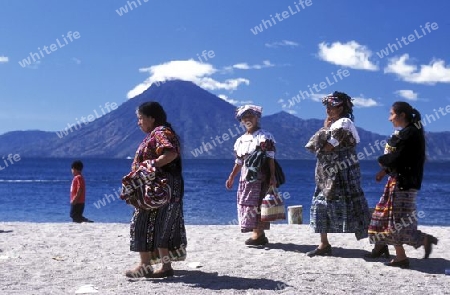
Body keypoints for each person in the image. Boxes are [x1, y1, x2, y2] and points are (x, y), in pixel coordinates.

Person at [367, 101, 438, 268]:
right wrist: (384, 171)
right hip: (401, 182)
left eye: (391, 114)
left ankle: (401, 256)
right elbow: (402, 159)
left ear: (402, 115)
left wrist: (381, 161)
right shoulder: (409, 133)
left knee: (394, 220)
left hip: (403, 183)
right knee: (387, 217)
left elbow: (399, 158)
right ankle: (387, 247)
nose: (389, 118)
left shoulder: (409, 134)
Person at [124, 101, 187, 278]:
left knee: (143, 221)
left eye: (140, 118)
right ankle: (165, 266)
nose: (139, 122)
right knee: (163, 223)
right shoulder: (161, 132)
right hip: (167, 185)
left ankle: (145, 265)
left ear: (151, 118)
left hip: (160, 187)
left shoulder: (160, 133)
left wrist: (151, 165)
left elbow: (171, 153)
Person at [305, 91, 370, 257]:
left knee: (355, 205)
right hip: (327, 173)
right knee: (320, 205)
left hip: (343, 172)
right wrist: (325, 131)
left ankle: (379, 243)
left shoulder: (344, 123)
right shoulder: (334, 124)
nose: (328, 109)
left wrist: (324, 131)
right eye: (327, 106)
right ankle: (323, 244)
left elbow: (329, 146)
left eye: (332, 106)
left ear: (341, 107)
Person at [225, 104, 277, 246]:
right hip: (245, 176)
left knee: (258, 203)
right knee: (247, 203)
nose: (247, 119)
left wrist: (272, 176)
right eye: (244, 117)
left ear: (257, 118)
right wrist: (231, 177)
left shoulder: (264, 136)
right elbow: (239, 161)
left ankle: (258, 234)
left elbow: (270, 157)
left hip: (260, 175)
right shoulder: (240, 140)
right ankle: (258, 233)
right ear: (241, 120)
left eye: (250, 116)